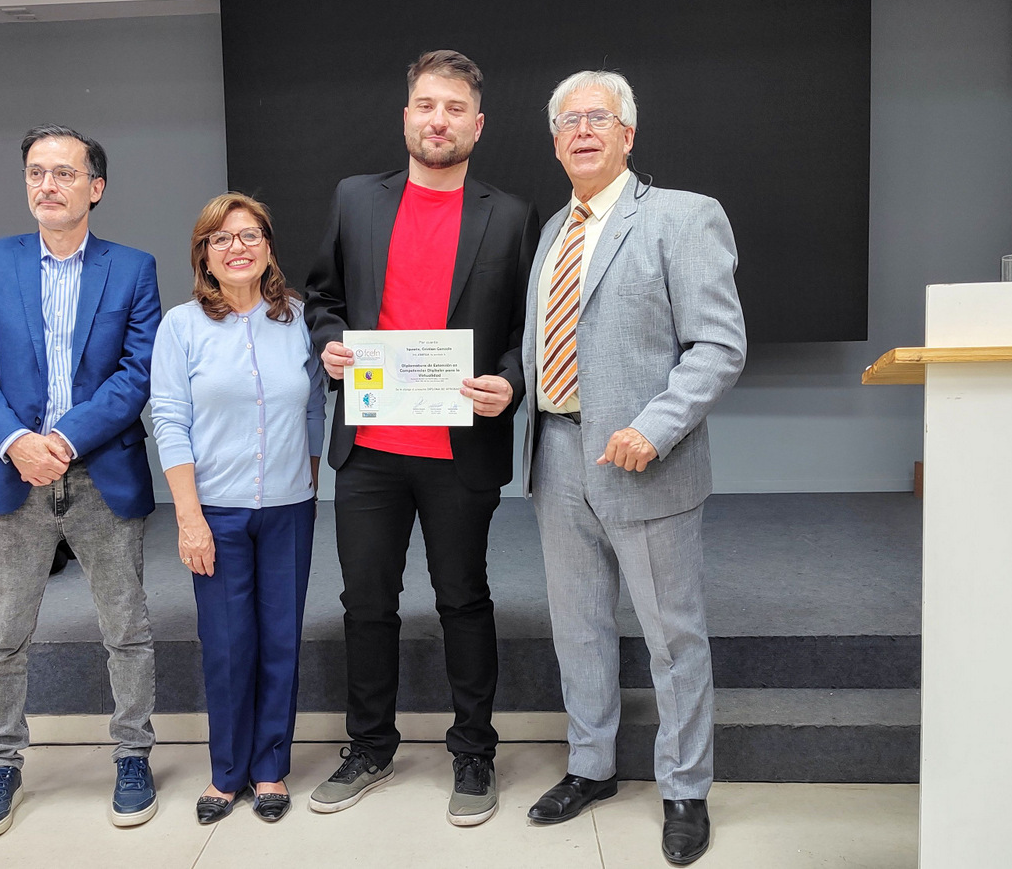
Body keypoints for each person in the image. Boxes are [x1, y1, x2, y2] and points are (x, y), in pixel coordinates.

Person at [302, 49, 539, 826]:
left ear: (478, 125)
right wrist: (330, 345)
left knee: (463, 600)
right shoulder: (355, 199)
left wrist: (512, 380)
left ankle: (474, 752)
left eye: (455, 109)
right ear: (407, 116)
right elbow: (323, 299)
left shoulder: (512, 215)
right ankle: (370, 746)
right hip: (369, 449)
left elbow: (527, 331)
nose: (439, 120)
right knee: (366, 605)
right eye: (427, 105)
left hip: (459, 451)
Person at [520, 71, 746, 865]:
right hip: (556, 455)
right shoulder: (553, 231)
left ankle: (685, 788)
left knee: (672, 636)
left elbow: (718, 345)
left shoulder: (683, 216)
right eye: (568, 120)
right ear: (555, 140)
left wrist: (654, 427)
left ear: (628, 134)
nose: (582, 130)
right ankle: (591, 766)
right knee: (578, 629)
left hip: (646, 461)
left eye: (599, 117)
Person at [0, 124, 161, 839]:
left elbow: (137, 372)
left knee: (126, 627)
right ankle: (0, 763)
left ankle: (132, 755)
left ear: (95, 188)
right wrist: (18, 442)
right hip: (13, 471)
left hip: (102, 473)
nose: (48, 185)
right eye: (36, 172)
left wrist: (65, 440)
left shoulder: (133, 268)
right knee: (3, 632)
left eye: (65, 173)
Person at [149, 193, 325, 824]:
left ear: (268, 247)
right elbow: (169, 422)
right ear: (204, 255)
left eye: (249, 235)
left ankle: (270, 768)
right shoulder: (181, 326)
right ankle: (226, 773)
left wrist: (306, 478)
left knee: (280, 641)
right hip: (215, 514)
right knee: (227, 646)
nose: (237, 248)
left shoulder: (299, 321)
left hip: (289, 511)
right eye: (220, 239)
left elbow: (313, 407)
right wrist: (188, 518)